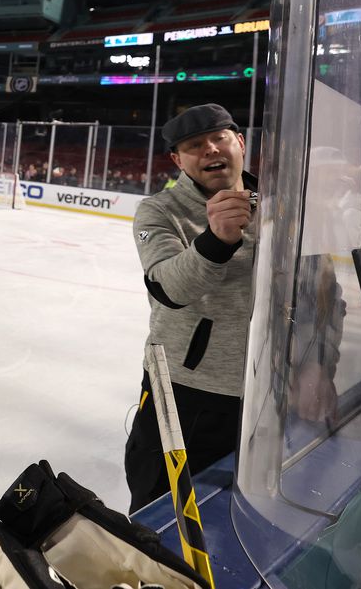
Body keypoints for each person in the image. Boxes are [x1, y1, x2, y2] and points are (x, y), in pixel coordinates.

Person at [125, 103, 257, 512]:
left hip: (265, 391)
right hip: (185, 390)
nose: (211, 150)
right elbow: (168, 286)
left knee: (239, 511)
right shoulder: (159, 211)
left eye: (219, 138)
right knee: (162, 508)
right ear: (177, 159)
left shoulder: (280, 207)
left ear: (240, 142)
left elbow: (319, 289)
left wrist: (319, 362)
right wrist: (216, 240)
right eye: (195, 145)